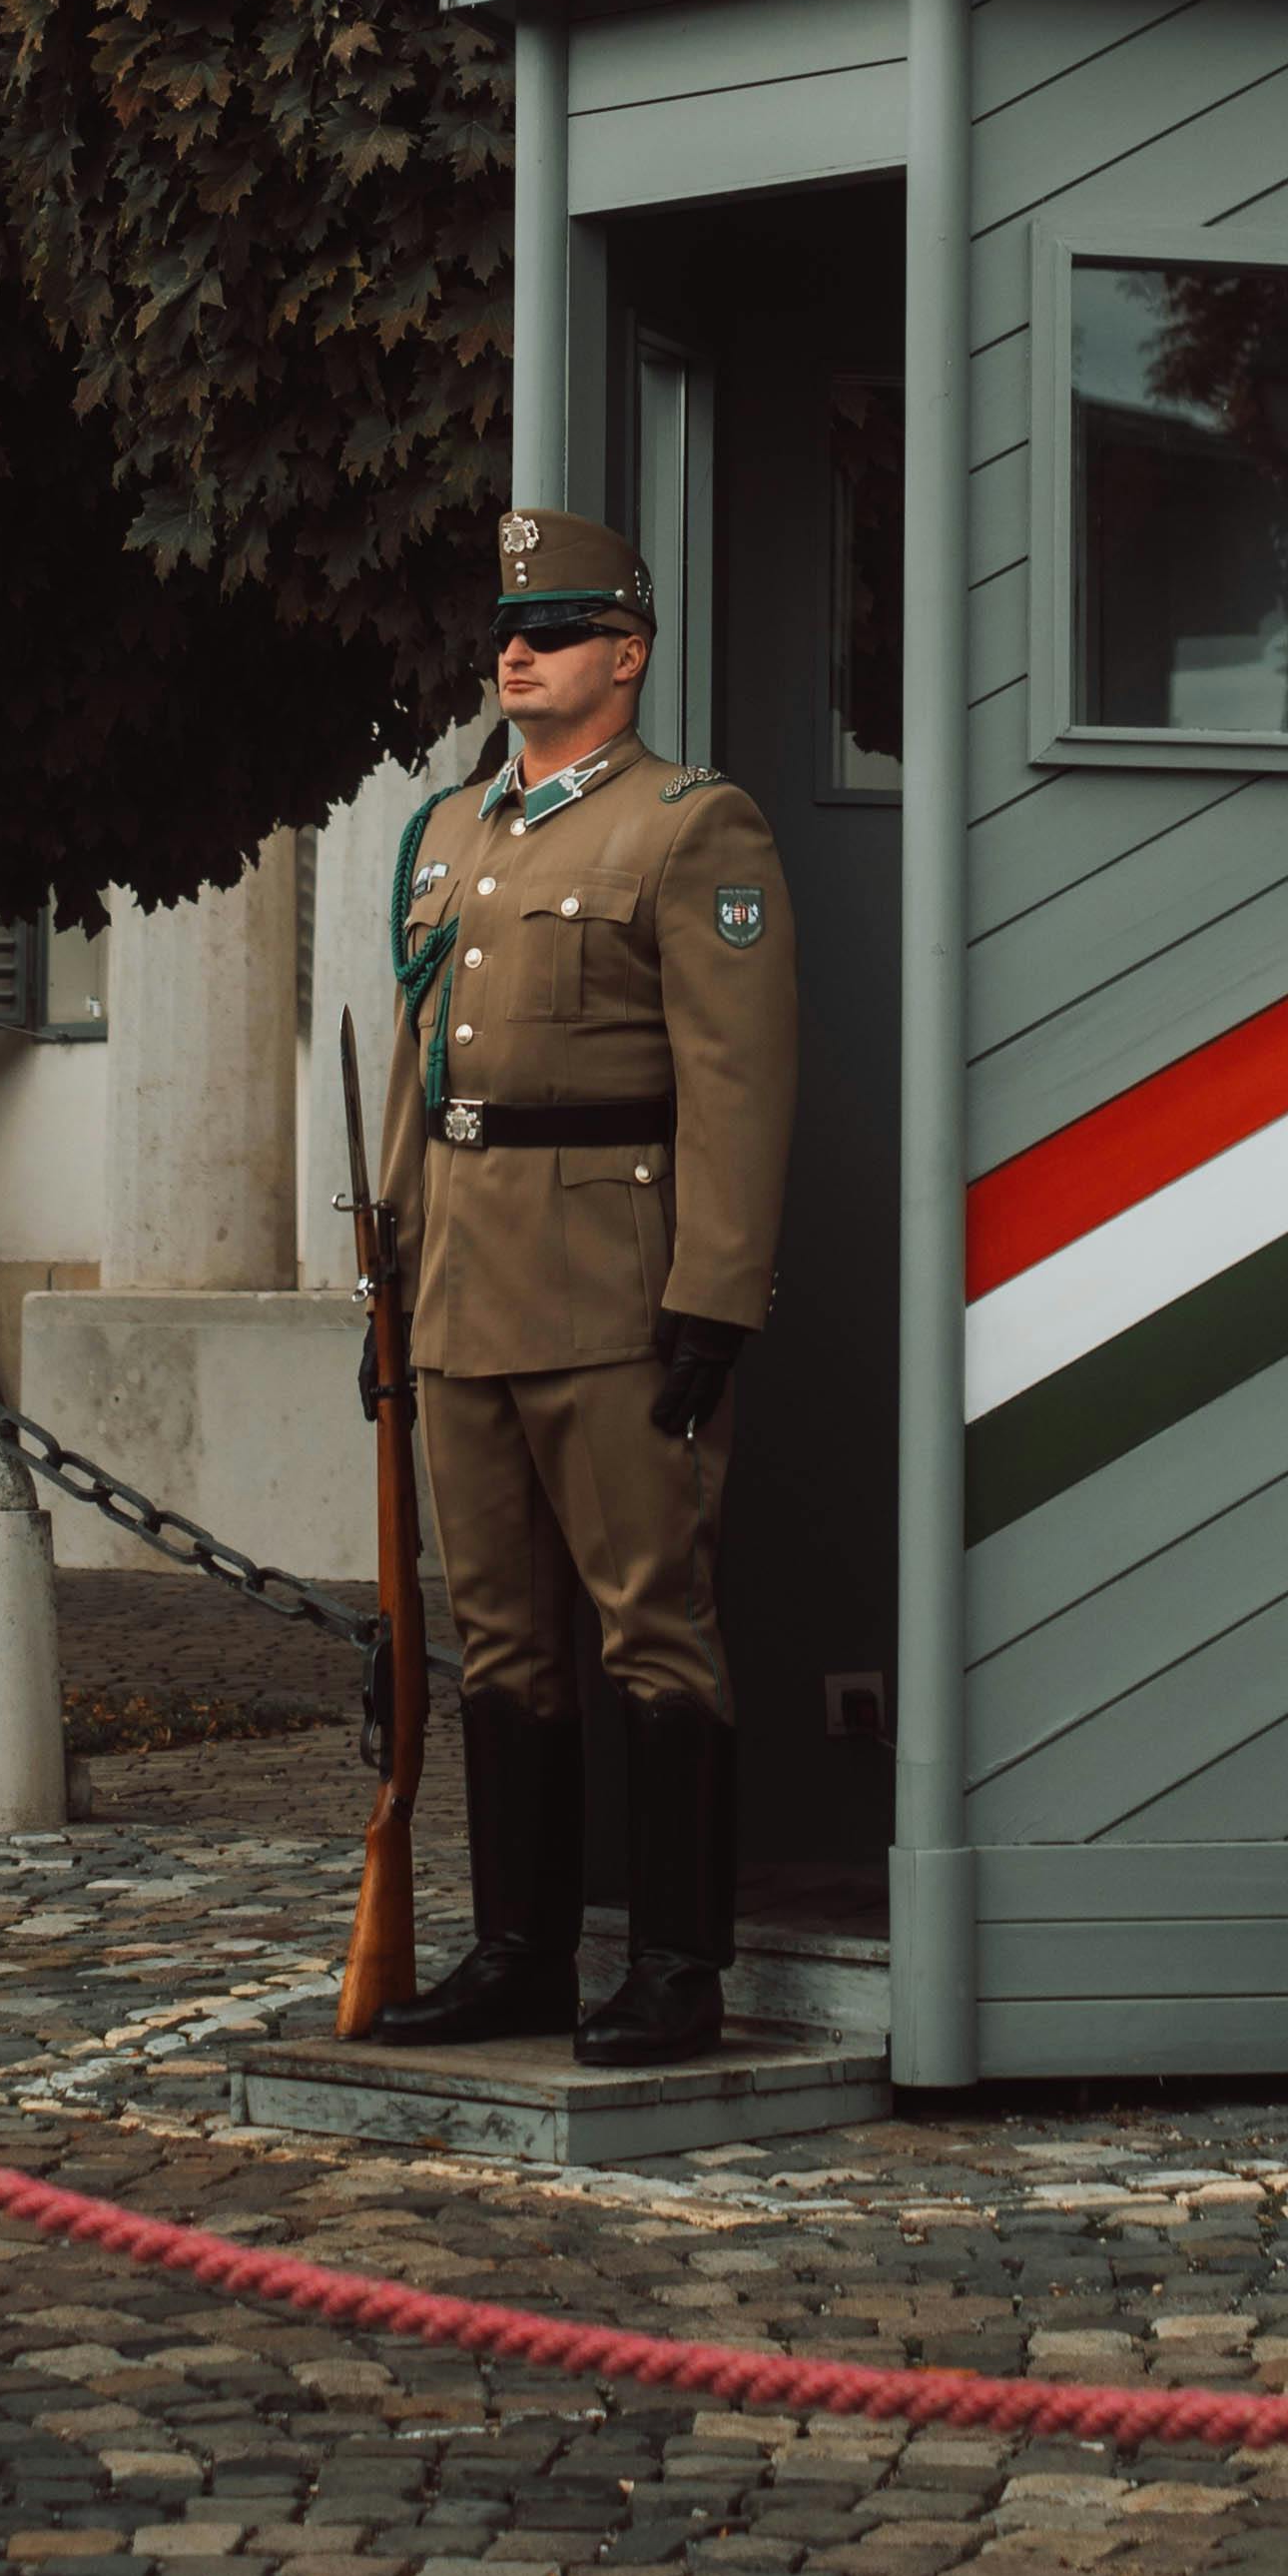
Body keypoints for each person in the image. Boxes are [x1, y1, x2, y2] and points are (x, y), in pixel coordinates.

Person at [369, 503, 797, 2069]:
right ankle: (518, 1955)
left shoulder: (693, 829)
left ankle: (680, 1967)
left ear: (627, 650)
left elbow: (737, 1083)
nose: (517, 648)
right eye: (506, 626)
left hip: (618, 1289)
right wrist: (395, 1281)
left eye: (551, 626)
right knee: (501, 1638)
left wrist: (717, 1294)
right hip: (468, 1286)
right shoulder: (449, 837)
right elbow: (427, 1083)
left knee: (652, 1626)